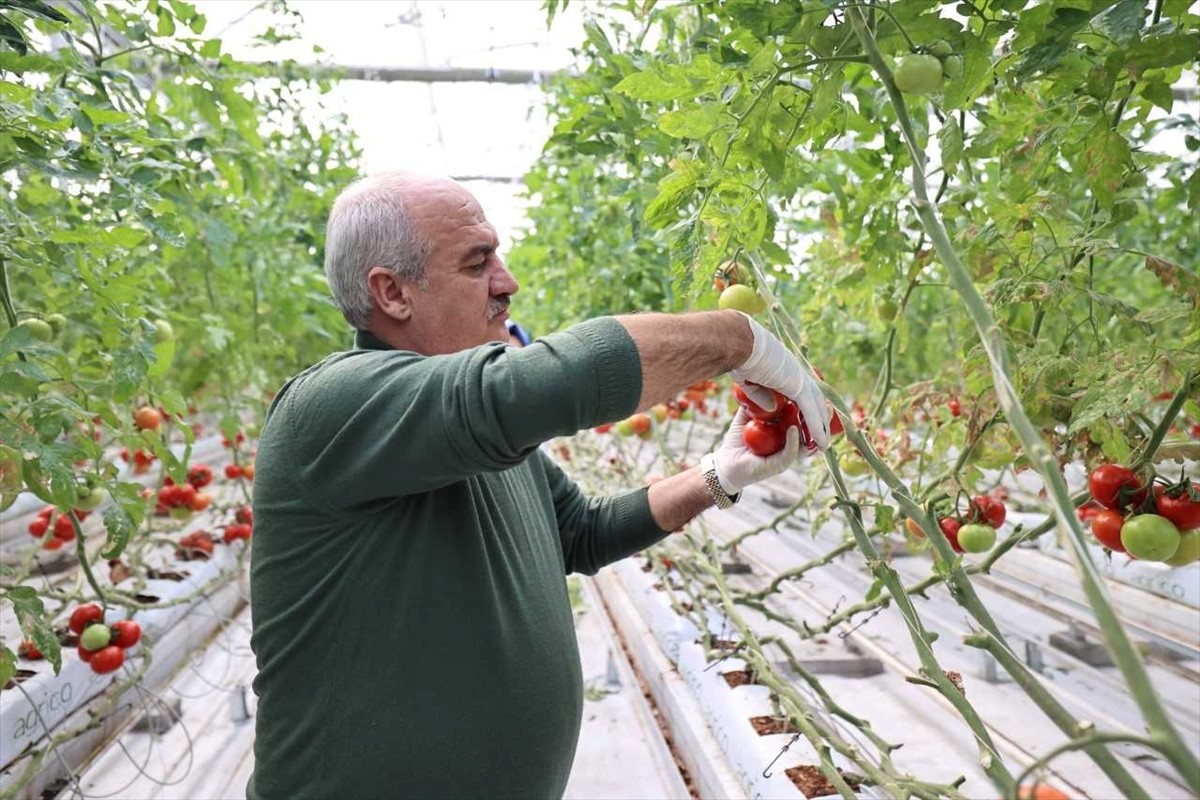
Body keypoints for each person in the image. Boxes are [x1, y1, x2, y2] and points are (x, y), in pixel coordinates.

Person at [246, 171, 831, 800]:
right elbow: (541, 383)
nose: (507, 281)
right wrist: (742, 340)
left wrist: (718, 475)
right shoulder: (334, 404)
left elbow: (579, 532)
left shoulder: (468, 434)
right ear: (392, 293)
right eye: (478, 264)